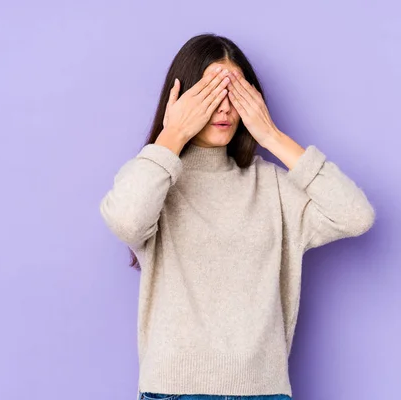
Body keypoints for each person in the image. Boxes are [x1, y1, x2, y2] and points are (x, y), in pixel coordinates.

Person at [99, 33, 375, 400]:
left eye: (235, 94)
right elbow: (127, 221)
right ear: (181, 100)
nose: (225, 108)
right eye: (211, 94)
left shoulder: (272, 187)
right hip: (172, 392)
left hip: (263, 391)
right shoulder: (154, 180)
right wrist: (174, 133)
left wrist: (272, 135)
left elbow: (355, 216)